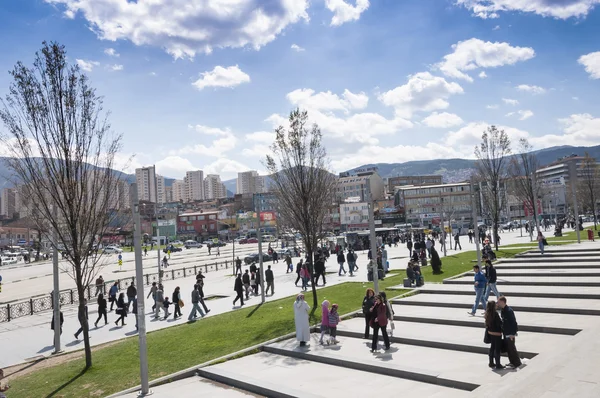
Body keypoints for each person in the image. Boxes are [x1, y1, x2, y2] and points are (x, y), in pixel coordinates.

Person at [498, 296, 522, 368]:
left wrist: (513, 333)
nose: (497, 303)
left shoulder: (509, 310)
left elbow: (513, 322)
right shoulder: (503, 310)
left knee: (512, 348)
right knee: (508, 348)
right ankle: (512, 362)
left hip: (510, 333)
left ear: (502, 302)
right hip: (505, 332)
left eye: (498, 302)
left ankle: (517, 363)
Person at [485, 300, 504, 369]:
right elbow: (499, 323)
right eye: (495, 304)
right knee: (497, 349)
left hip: (491, 334)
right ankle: (498, 364)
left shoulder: (487, 313)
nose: (497, 305)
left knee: (492, 348)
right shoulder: (495, 314)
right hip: (497, 334)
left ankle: (491, 362)